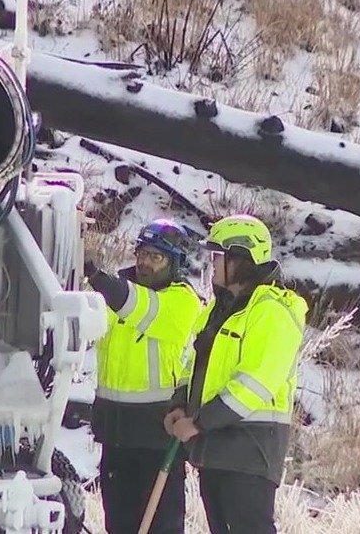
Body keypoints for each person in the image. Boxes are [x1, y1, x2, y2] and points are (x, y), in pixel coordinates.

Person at [163, 214, 307, 534]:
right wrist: (180, 405)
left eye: (218, 256)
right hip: (214, 448)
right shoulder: (218, 311)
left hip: (249, 450)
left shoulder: (271, 311)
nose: (211, 264)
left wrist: (199, 422)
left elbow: (255, 383)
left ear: (240, 259)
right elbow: (192, 366)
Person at [84, 218, 204, 534]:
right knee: (119, 527)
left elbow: (137, 306)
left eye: (156, 256)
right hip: (115, 433)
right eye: (142, 253)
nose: (145, 262)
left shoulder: (182, 301)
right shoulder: (118, 294)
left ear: (175, 263)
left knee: (161, 527)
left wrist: (96, 275)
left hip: (157, 436)